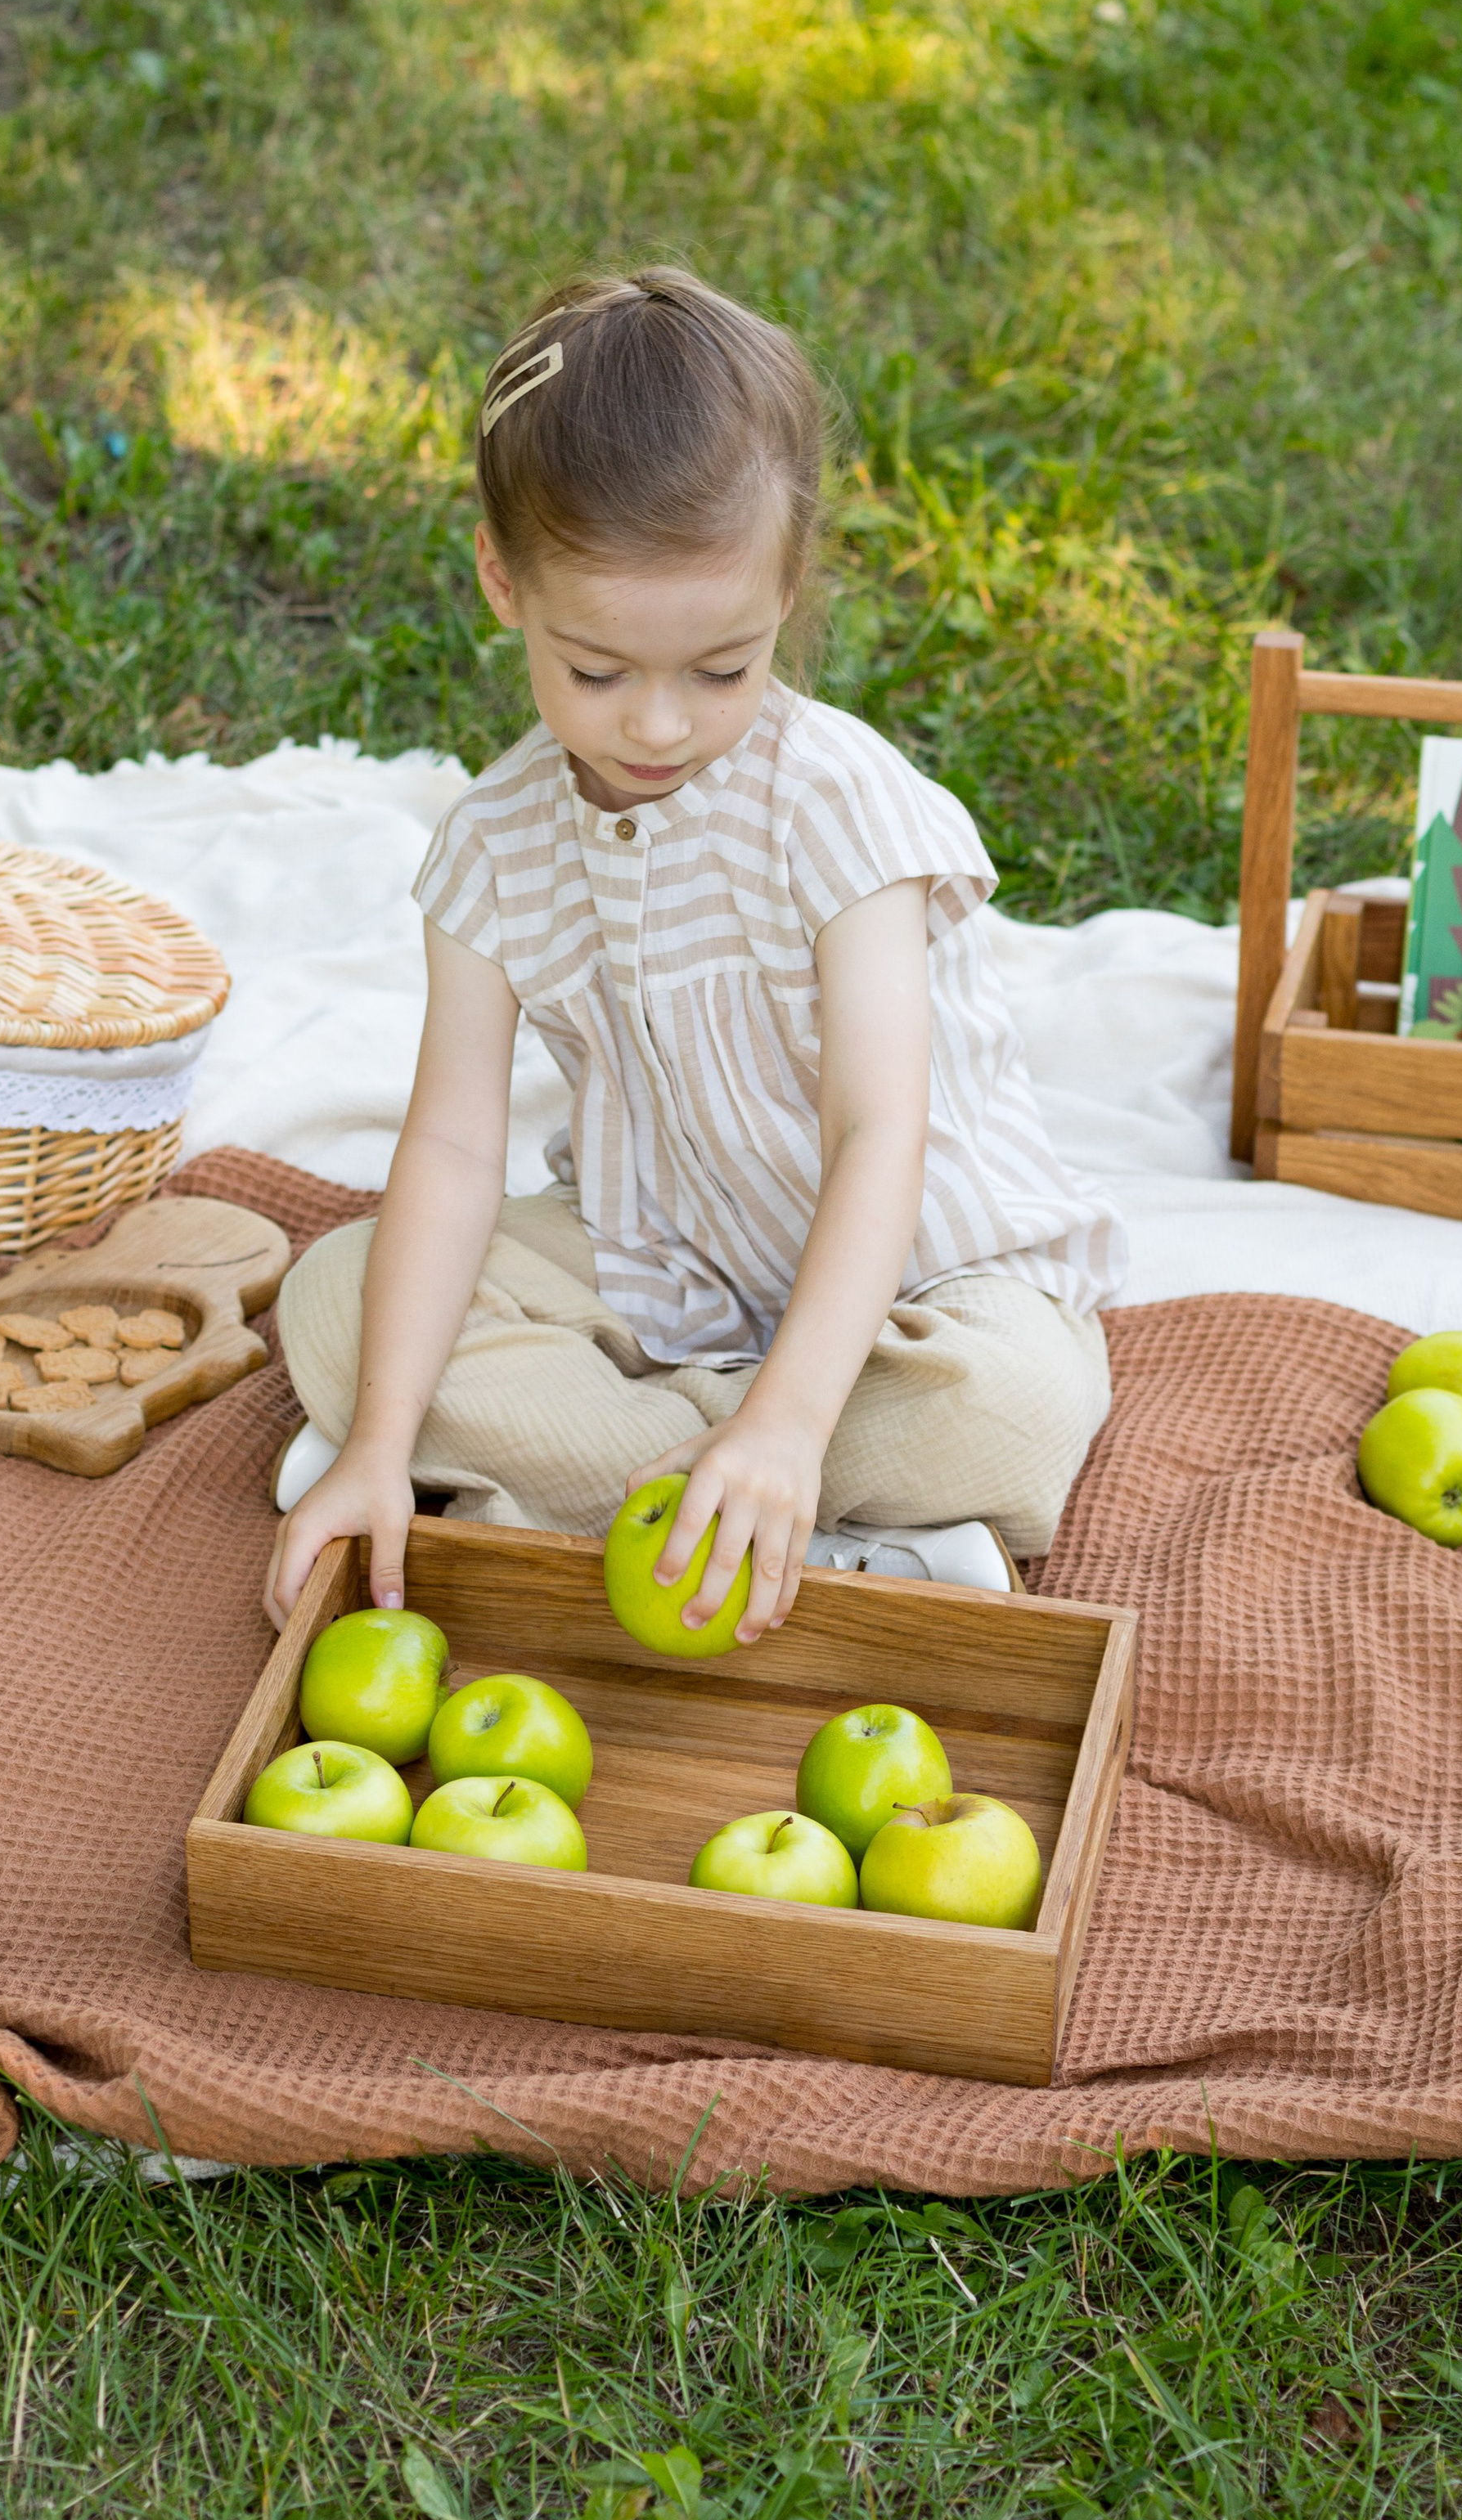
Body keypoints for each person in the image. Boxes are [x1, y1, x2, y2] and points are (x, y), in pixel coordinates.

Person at [268, 267, 1124, 1643]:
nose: (658, 725)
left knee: (1014, 1408)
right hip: (667, 1258)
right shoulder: (492, 848)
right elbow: (447, 1151)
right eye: (597, 671)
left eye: (722, 669)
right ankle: (799, 1511)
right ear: (501, 578)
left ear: (788, 587)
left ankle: (697, 1471)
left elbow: (877, 1135)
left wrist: (789, 1418)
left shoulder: (835, 803)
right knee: (330, 1308)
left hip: (916, 1279)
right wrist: (374, 1444)